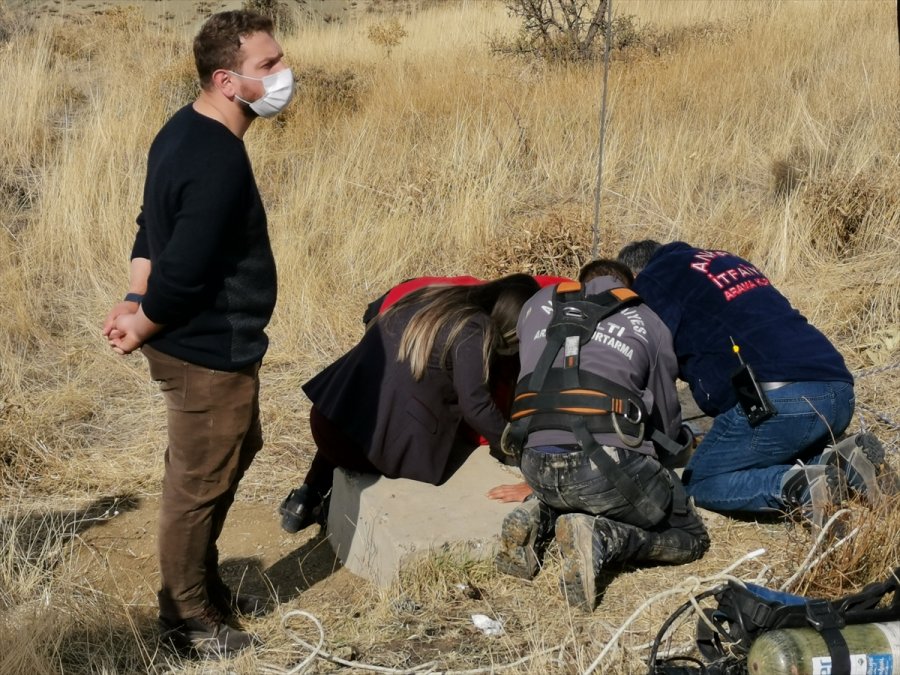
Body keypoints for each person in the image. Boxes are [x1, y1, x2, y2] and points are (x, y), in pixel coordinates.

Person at [102, 10, 294, 658]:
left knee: (233, 451)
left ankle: (201, 585)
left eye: (279, 58)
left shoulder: (181, 132)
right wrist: (143, 320)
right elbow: (181, 275)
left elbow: (148, 228)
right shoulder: (217, 158)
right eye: (267, 66)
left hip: (206, 344)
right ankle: (187, 621)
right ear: (226, 80)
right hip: (206, 352)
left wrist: (134, 300)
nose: (283, 73)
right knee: (197, 482)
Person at [617, 240, 888, 527]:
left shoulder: (652, 280)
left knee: (702, 481)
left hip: (779, 402)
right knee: (765, 455)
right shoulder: (726, 259)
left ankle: (798, 486)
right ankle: (844, 461)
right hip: (837, 388)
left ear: (635, 276)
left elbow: (650, 358)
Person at [495, 259, 710, 612]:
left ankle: (540, 516)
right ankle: (602, 537)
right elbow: (667, 431)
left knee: (577, 476)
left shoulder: (536, 305)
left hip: (533, 465)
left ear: (581, 283)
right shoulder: (648, 321)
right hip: (603, 467)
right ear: (628, 289)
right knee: (691, 537)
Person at [278, 274, 541, 533]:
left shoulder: (430, 297)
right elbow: (477, 407)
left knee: (362, 412)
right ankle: (327, 508)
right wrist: (520, 447)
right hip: (358, 450)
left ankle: (304, 499)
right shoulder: (473, 327)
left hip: (326, 419)